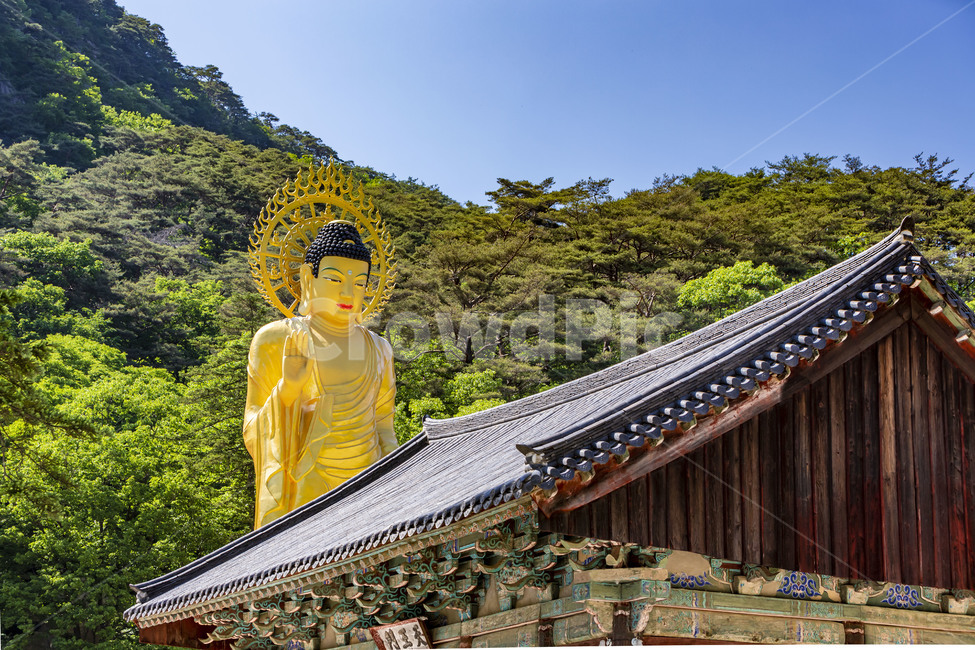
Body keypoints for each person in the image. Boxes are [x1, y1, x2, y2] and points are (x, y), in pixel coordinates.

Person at [243, 220, 396, 527]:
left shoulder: (379, 349)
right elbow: (252, 428)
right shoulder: (277, 339)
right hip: (306, 486)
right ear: (307, 278)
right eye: (334, 278)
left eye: (360, 283)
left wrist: (398, 481)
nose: (348, 292)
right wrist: (289, 387)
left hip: (368, 484)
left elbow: (384, 428)